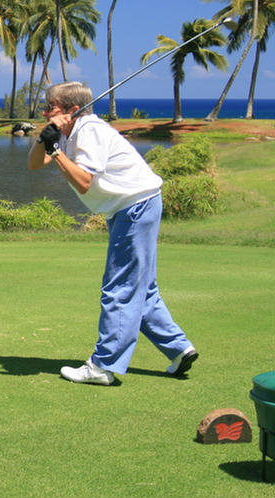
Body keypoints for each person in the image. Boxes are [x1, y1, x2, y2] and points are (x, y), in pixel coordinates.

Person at [27, 81, 197, 385]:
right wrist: (46, 139)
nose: (44, 110)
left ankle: (104, 366)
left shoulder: (89, 130)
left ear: (70, 110)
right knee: (141, 288)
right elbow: (34, 164)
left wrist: (55, 149)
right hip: (128, 208)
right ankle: (178, 348)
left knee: (119, 287)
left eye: (49, 106)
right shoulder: (67, 132)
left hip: (134, 207)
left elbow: (84, 182)